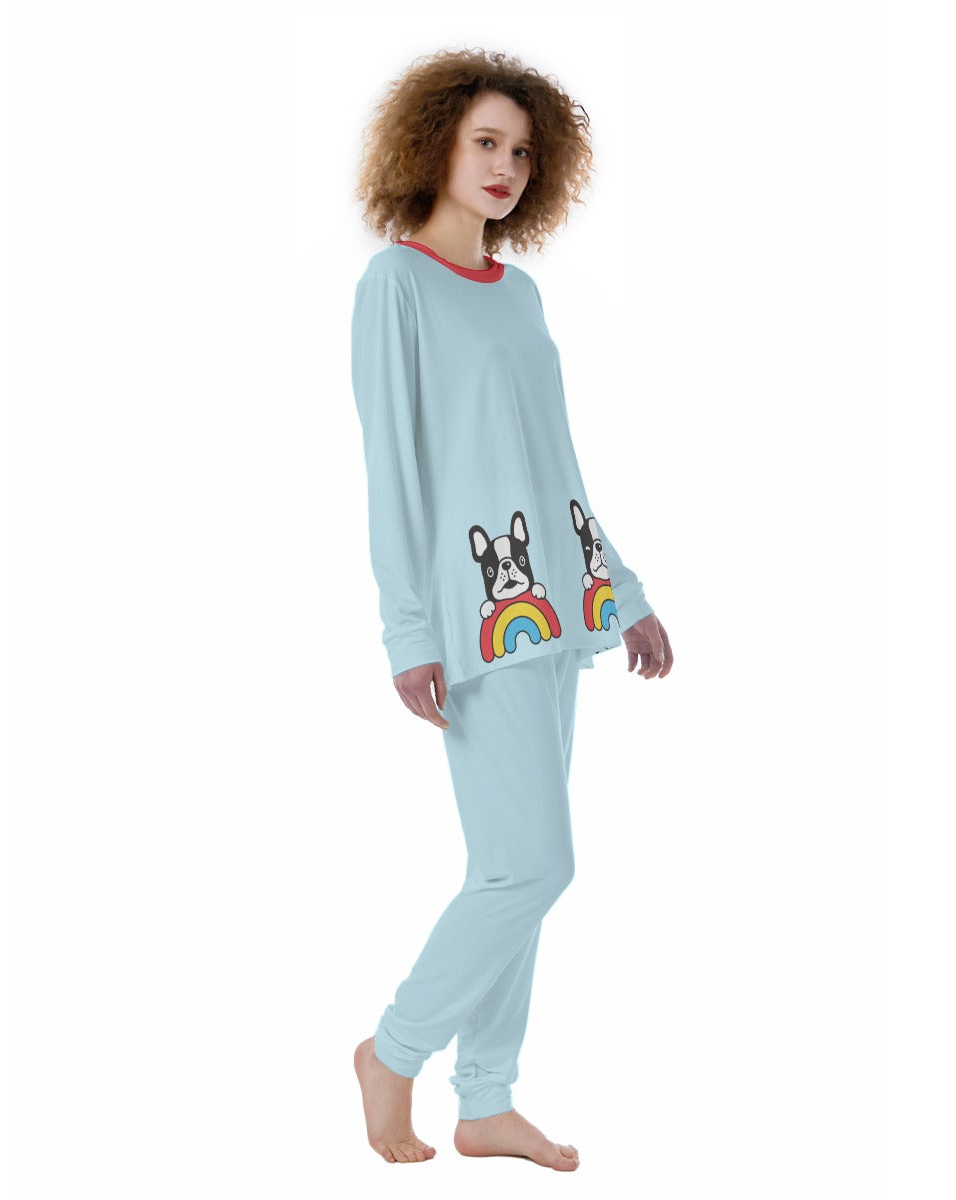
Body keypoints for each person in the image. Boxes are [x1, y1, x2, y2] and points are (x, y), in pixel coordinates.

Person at [349, 47, 672, 1171]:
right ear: (433, 144)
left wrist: (623, 595)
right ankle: (394, 1052)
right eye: (485, 141)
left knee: (512, 866)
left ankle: (486, 1101)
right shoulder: (395, 286)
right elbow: (394, 473)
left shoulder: (520, 292)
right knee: (533, 864)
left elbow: (555, 465)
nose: (506, 167)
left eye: (524, 152)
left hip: (558, 613)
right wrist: (407, 631)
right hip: (472, 619)